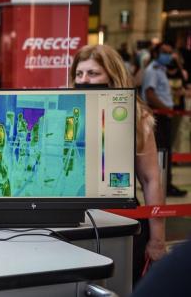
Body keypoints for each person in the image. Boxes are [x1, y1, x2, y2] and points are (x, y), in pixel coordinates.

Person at [70, 44, 167, 285]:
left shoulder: (136, 116)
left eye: (93, 73)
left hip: (121, 220)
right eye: (79, 74)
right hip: (73, 218)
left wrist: (157, 240)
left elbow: (150, 179)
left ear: (112, 77)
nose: (84, 80)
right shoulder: (70, 114)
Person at [142, 42, 187, 197]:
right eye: (164, 52)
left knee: (166, 150)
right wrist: (166, 109)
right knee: (162, 151)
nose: (168, 55)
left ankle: (166, 184)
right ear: (156, 53)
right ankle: (163, 186)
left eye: (170, 52)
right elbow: (150, 94)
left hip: (164, 115)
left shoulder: (161, 70)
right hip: (159, 116)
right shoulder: (153, 70)